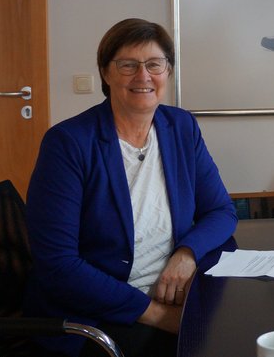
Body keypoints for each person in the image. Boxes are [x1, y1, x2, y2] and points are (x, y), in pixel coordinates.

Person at [25, 19, 238, 357]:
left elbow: (221, 211)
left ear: (167, 71)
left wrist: (186, 254)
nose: (143, 76)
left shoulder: (180, 126)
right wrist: (159, 316)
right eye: (128, 65)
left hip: (177, 292)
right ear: (106, 74)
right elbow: (58, 266)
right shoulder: (69, 144)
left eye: (155, 64)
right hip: (102, 312)